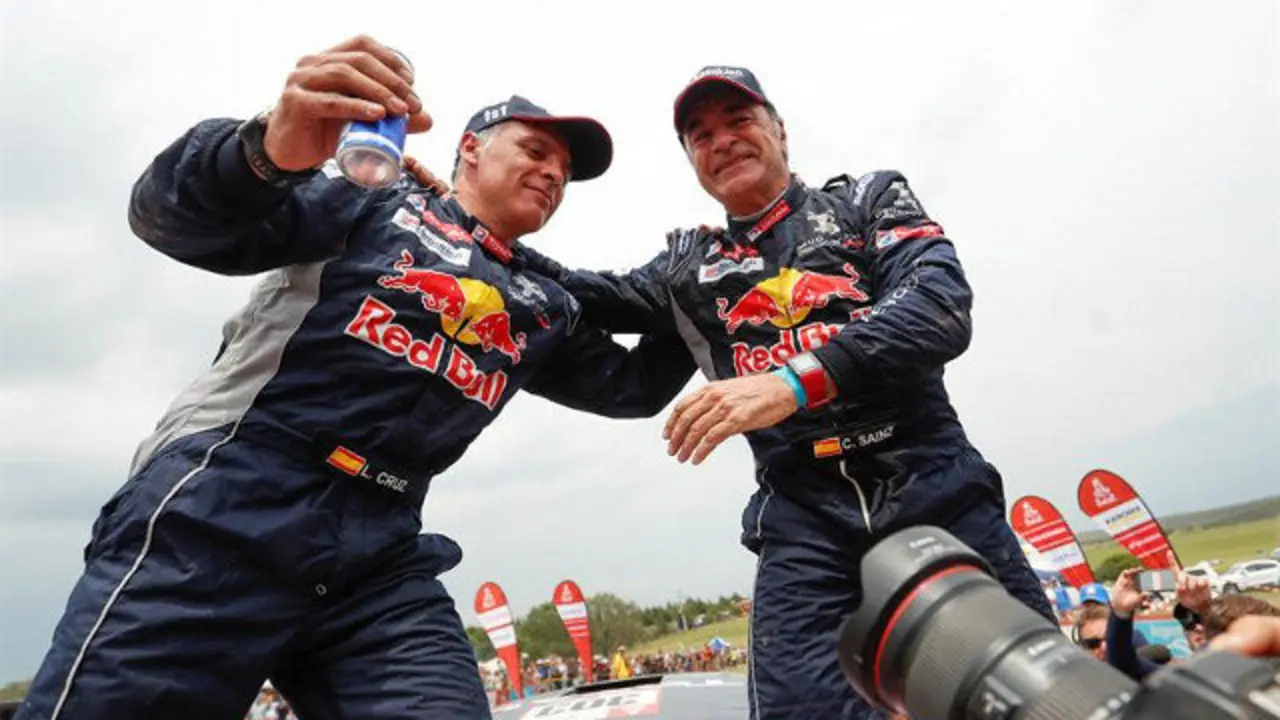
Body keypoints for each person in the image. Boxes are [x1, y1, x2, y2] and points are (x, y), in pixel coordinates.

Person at [18, 35, 694, 720]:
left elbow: (632, 386)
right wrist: (266, 148)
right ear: (470, 148)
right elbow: (172, 218)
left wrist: (702, 292)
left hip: (378, 552)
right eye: (536, 151)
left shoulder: (543, 302)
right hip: (228, 500)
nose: (553, 174)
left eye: (565, 171)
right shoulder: (377, 198)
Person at [518, 65, 1057, 719]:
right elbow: (580, 292)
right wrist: (462, 228)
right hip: (804, 515)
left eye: (738, 120)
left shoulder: (866, 200)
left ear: (779, 130)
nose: (721, 140)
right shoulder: (688, 269)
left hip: (930, 477)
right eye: (700, 134)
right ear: (691, 160)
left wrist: (791, 383)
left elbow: (938, 308)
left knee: (1036, 698)